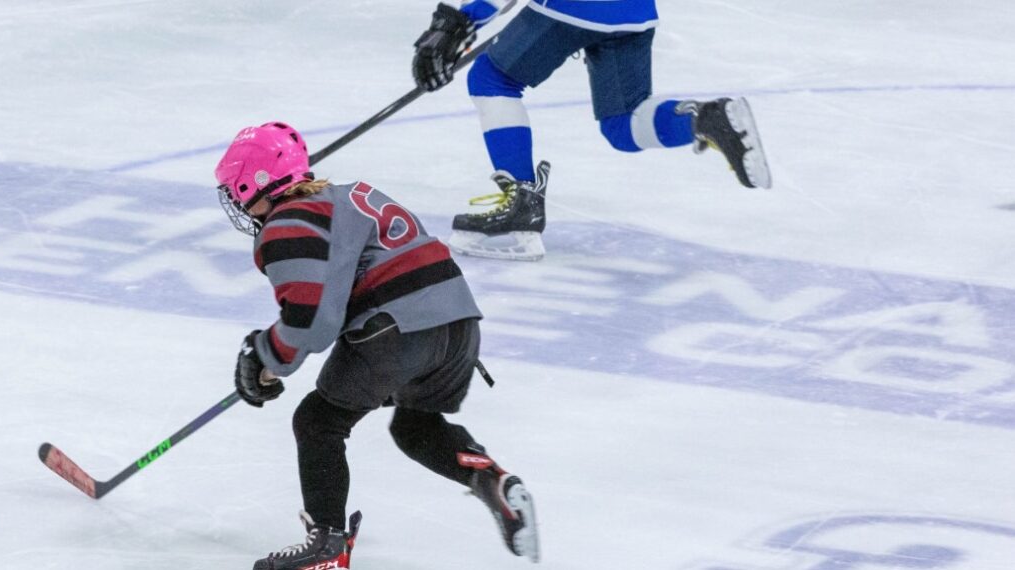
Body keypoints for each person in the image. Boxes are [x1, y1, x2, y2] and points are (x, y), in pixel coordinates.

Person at [213, 122, 540, 569]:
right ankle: (491, 481)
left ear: (258, 183)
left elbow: (311, 324)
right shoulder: (350, 196)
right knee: (415, 427)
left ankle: (326, 549)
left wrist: (263, 357)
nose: (236, 201)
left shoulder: (288, 221)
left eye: (236, 189)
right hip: (459, 326)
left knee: (318, 422)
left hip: (397, 330)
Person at [412, 0, 773, 261]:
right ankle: (705, 119)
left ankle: (522, 206)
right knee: (623, 125)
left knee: (493, 79)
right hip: (634, 12)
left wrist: (456, 22)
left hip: (573, 6)